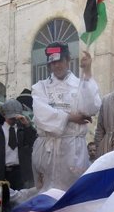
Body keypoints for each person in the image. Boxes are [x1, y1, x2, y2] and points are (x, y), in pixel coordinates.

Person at [31, 41, 101, 191]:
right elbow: (41, 115)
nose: (57, 65)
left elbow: (92, 107)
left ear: (68, 60)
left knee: (72, 196)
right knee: (45, 196)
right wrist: (70, 117)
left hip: (72, 152)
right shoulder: (40, 87)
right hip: (47, 152)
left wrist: (87, 72)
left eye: (60, 61)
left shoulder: (80, 84)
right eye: (53, 62)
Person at [0, 99, 37, 189]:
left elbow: (34, 141)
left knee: (21, 199)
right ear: (4, 115)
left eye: (14, 117)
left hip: (20, 174)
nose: (13, 119)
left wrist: (27, 125)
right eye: (11, 117)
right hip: (2, 173)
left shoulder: (23, 131)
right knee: (3, 199)